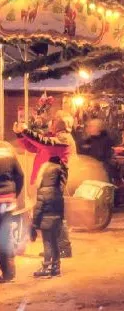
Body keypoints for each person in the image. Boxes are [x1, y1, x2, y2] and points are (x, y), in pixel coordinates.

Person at [14, 118, 75, 258]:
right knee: (51, 215)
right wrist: (20, 134)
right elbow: (33, 146)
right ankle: (57, 249)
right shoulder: (55, 137)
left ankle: (63, 248)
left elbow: (44, 143)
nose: (50, 124)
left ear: (60, 124)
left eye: (53, 122)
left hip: (52, 181)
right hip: (45, 180)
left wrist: (25, 131)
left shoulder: (63, 139)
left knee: (54, 216)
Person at [32, 155, 67, 278]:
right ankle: (56, 267)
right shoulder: (58, 192)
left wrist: (34, 225)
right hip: (57, 220)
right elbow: (62, 209)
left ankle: (46, 267)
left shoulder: (43, 191)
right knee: (55, 243)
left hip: (45, 221)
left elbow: (38, 210)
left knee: (47, 243)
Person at [0, 141, 24, 282]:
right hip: (7, 201)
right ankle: (9, 273)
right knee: (5, 236)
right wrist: (13, 193)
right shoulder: (9, 153)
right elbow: (20, 176)